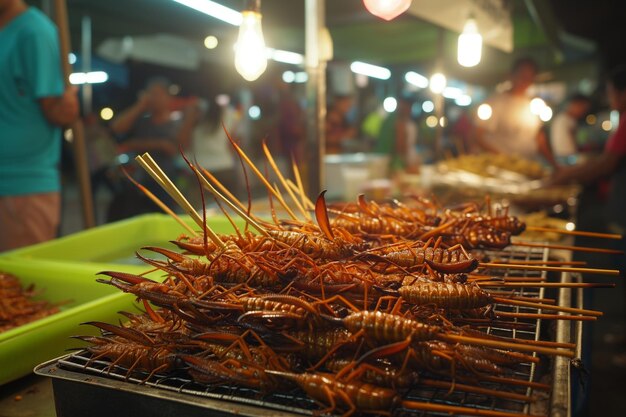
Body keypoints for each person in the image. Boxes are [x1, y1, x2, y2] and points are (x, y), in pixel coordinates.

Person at [0, 0, 79, 251]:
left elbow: (57, 112)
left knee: (20, 285)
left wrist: (67, 108)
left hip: (23, 186)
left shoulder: (34, 32)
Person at [107, 78, 183, 220]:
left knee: (167, 218)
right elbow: (116, 127)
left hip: (167, 182)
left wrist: (137, 144)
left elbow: (173, 149)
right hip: (141, 181)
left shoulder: (176, 122)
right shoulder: (142, 120)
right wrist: (140, 105)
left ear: (168, 97)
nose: (153, 98)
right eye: (150, 94)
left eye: (158, 94)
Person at [473, 57, 555, 165]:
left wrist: (554, 164)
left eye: (529, 77)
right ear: (510, 75)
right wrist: (504, 159)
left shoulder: (534, 104)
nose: (525, 81)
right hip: (500, 166)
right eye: (521, 76)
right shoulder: (495, 102)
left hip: (527, 165)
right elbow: (477, 135)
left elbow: (539, 137)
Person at [376, 96, 419, 173]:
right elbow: (400, 146)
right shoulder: (398, 122)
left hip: (384, 160)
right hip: (390, 163)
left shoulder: (390, 119)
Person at [550, 93, 591, 165]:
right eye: (583, 108)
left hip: (564, 158)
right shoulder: (567, 120)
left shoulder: (561, 118)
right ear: (575, 104)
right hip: (567, 159)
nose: (583, 112)